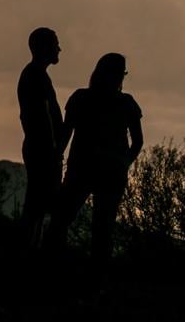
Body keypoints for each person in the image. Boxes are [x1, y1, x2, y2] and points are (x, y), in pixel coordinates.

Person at [46, 52, 143, 265]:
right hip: (98, 171)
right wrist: (123, 162)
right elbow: (137, 141)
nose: (120, 77)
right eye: (120, 73)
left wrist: (56, 158)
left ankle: (53, 266)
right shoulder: (123, 103)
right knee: (97, 227)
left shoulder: (82, 98)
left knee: (67, 220)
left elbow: (65, 133)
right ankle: (87, 277)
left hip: (88, 169)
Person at [17, 26, 64, 249]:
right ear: (45, 47)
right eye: (55, 44)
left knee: (37, 205)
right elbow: (42, 117)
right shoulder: (35, 76)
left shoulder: (36, 75)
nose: (59, 49)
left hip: (42, 149)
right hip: (43, 150)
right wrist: (54, 151)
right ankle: (30, 252)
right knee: (37, 206)